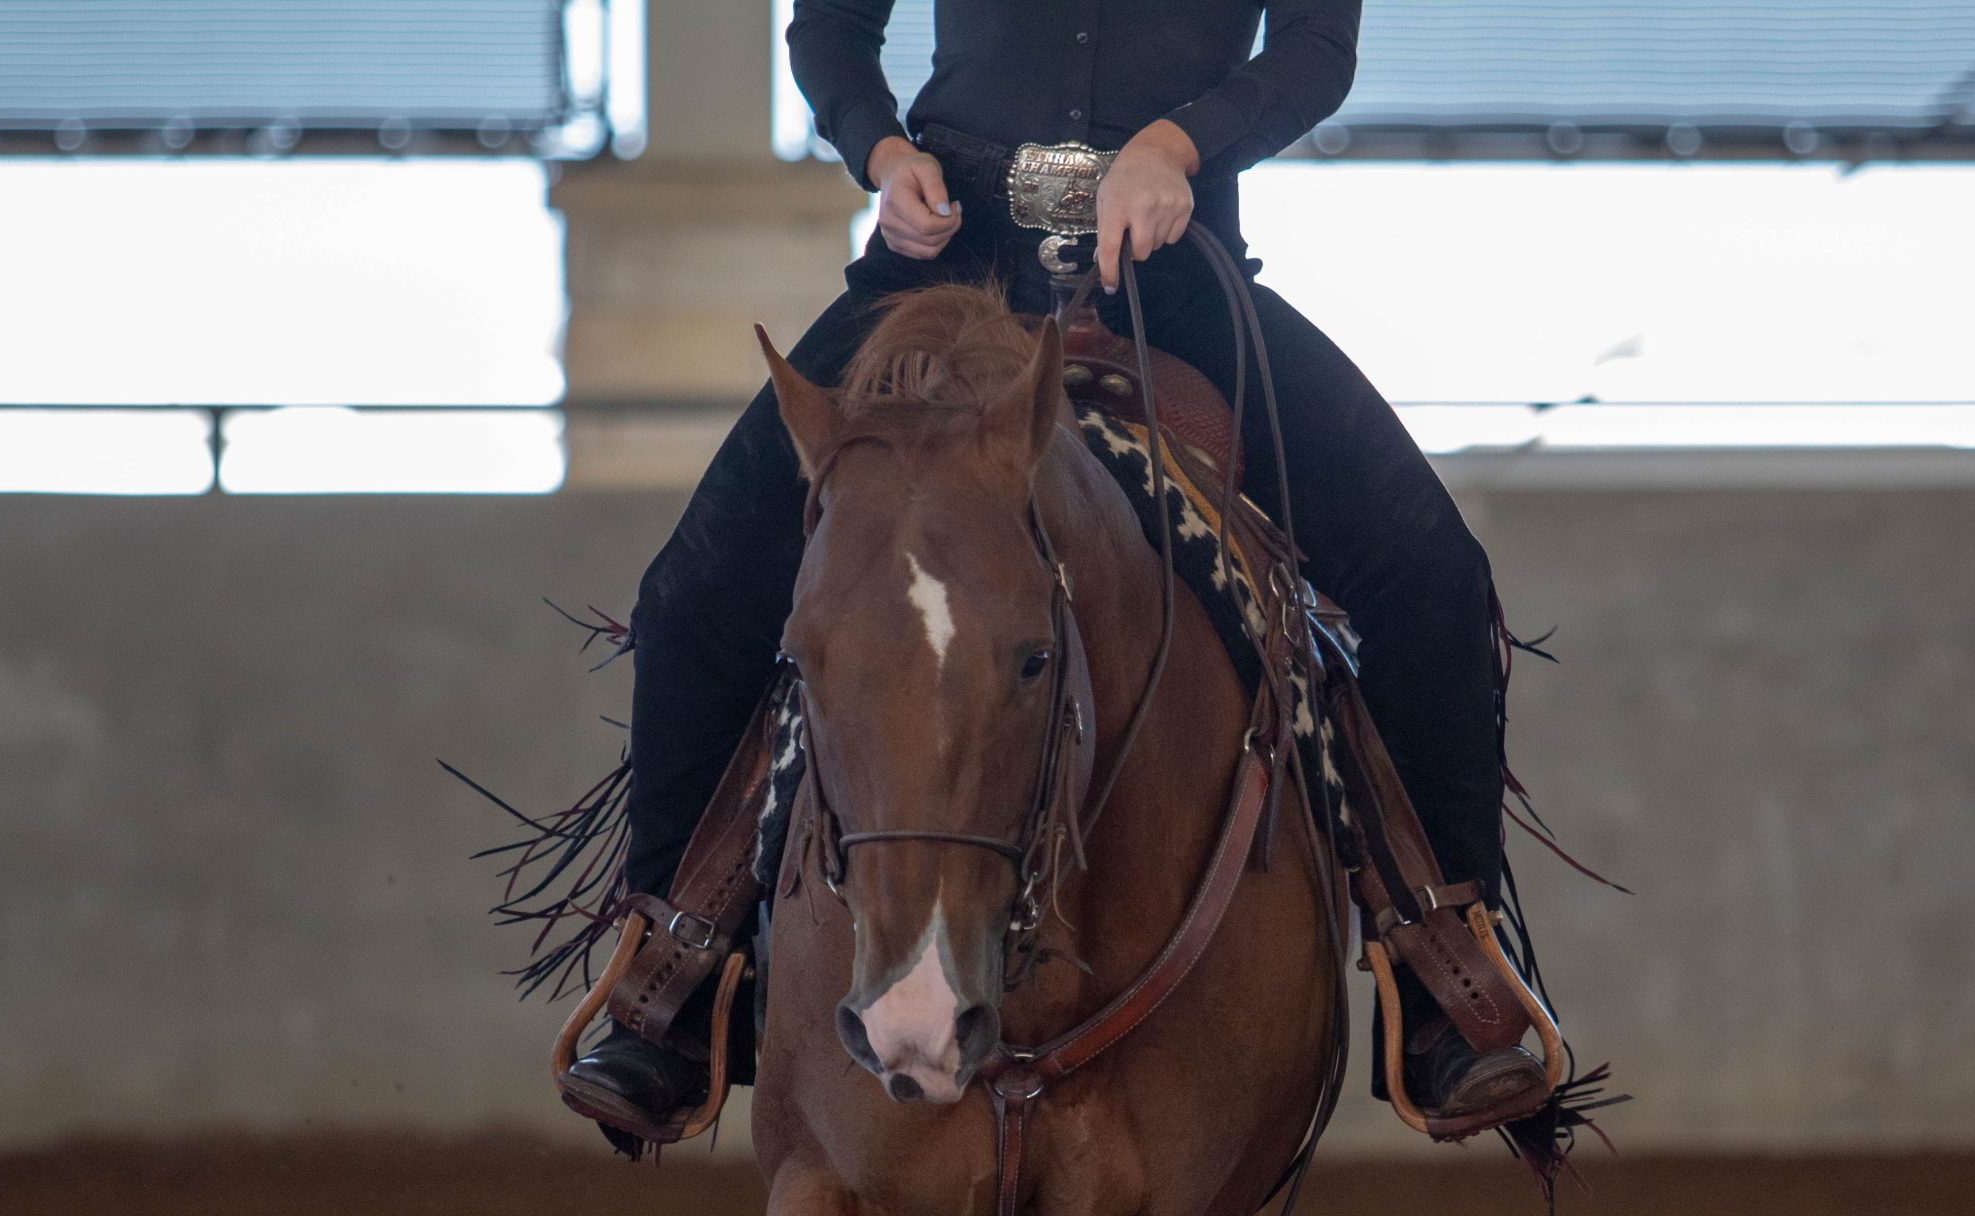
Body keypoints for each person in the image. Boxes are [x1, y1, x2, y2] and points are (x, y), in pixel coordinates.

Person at [566, 0, 1544, 1130]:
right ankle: (675, 981)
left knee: (1430, 571)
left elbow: (1316, 53)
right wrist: (882, 153)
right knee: (692, 595)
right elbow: (829, 23)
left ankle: (1439, 969)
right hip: (940, 260)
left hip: (1175, 276)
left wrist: (1178, 145)